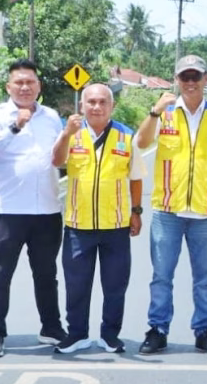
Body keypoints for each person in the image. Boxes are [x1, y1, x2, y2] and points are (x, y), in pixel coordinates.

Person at [134, 54, 207, 357]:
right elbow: (141, 144)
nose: (190, 83)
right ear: (176, 80)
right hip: (168, 210)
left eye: (196, 77)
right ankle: (158, 329)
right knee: (161, 276)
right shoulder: (164, 113)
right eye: (185, 77)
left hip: (205, 212)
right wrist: (154, 111)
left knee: (204, 278)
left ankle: (204, 331)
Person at [0, 59, 68, 358]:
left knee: (46, 274)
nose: (25, 87)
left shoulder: (52, 116)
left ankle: (52, 327)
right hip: (7, 210)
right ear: (9, 87)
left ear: (39, 86)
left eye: (31, 82)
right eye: (19, 82)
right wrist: (15, 125)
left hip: (47, 209)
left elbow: (60, 157)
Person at [51, 83, 146, 354]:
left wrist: (136, 212)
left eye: (102, 102)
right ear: (82, 106)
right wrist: (66, 135)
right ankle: (77, 334)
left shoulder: (126, 136)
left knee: (115, 286)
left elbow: (136, 177)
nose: (96, 106)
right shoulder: (71, 134)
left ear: (111, 106)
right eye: (90, 101)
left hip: (115, 226)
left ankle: (110, 335)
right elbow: (56, 161)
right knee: (76, 285)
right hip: (78, 226)